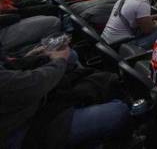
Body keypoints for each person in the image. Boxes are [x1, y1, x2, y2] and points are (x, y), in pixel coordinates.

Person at [0, 43, 130, 148]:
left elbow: (9, 68)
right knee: (119, 110)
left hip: (29, 106)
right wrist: (59, 60)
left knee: (71, 57)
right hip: (21, 130)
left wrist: (27, 58)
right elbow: (33, 83)